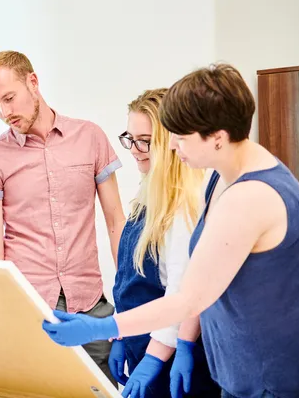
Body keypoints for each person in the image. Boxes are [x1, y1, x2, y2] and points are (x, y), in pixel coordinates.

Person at [42, 63, 299, 398]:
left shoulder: (249, 197)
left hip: (270, 379)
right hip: (241, 372)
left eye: (180, 137)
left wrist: (104, 326)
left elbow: (189, 298)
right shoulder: (225, 178)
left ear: (218, 138)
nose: (173, 146)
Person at [0, 50, 125, 383]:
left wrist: (126, 300)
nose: (5, 112)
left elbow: (116, 223)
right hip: (28, 311)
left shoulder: (90, 137)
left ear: (33, 82)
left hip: (91, 308)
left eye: (9, 98)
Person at [111, 88, 217, 397]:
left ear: (171, 141)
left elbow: (182, 291)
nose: (135, 149)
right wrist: (120, 334)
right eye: (130, 138)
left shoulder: (186, 202)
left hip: (171, 355)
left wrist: (154, 357)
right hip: (141, 342)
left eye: (146, 140)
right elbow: (129, 279)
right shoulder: (147, 193)